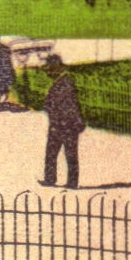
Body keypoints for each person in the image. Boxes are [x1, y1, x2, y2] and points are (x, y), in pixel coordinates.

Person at [41, 54, 85, 189]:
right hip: (61, 124)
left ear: (56, 68)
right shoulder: (62, 82)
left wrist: (61, 123)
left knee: (65, 154)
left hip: (64, 125)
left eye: (49, 69)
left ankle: (67, 182)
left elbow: (68, 107)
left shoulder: (65, 84)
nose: (47, 72)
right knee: (55, 153)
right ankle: (53, 179)